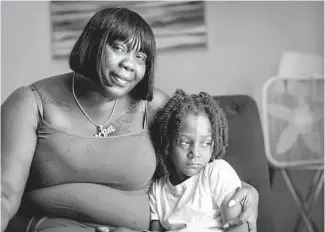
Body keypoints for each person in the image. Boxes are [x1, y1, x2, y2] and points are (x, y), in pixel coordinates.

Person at [1, 7, 258, 232]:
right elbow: (4, 195)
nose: (129, 64)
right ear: (92, 44)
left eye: (140, 57)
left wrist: (246, 191)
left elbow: (195, 158)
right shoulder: (30, 103)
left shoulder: (156, 106)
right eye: (118, 48)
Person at [146, 90, 248, 232]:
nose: (195, 153)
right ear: (168, 144)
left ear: (213, 145)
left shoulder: (217, 172)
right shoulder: (157, 190)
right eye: (185, 142)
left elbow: (238, 227)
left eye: (205, 143)